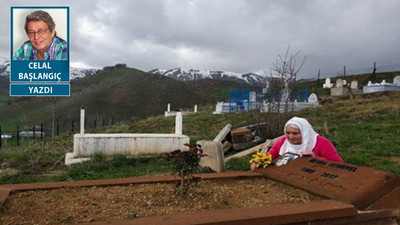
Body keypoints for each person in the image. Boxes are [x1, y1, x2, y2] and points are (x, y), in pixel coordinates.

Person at [251, 116, 343, 170]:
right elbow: (270, 156)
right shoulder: (282, 143)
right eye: (288, 133)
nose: (290, 137)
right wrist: (259, 162)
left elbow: (340, 165)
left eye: (295, 133)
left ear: (304, 133)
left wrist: (316, 159)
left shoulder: (321, 143)